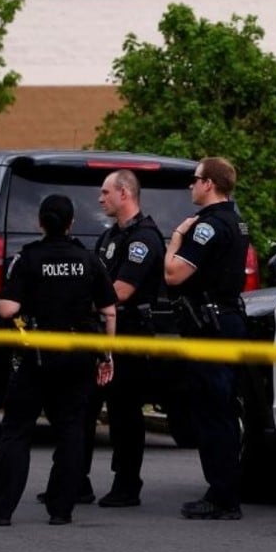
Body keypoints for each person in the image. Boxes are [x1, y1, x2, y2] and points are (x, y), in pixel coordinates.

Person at [0, 195, 117, 527]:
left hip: (36, 356)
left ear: (41, 222)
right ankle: (61, 509)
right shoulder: (88, 260)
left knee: (17, 432)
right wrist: (105, 355)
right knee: (72, 430)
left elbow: (7, 309)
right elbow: (108, 311)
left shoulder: (29, 259)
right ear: (70, 224)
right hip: (79, 355)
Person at [164, 157, 250, 521]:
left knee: (212, 412)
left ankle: (222, 496)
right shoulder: (237, 221)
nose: (190, 186)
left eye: (194, 179)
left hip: (210, 326)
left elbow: (173, 274)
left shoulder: (207, 227)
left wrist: (176, 239)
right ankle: (225, 490)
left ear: (209, 184)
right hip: (227, 320)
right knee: (224, 410)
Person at [85, 169, 167, 508]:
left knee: (124, 411)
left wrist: (77, 302)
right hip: (101, 333)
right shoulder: (109, 238)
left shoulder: (144, 239)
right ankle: (75, 479)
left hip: (130, 334)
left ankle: (127, 483)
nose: (100, 198)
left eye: (106, 192)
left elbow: (121, 290)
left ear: (124, 193)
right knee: (85, 406)